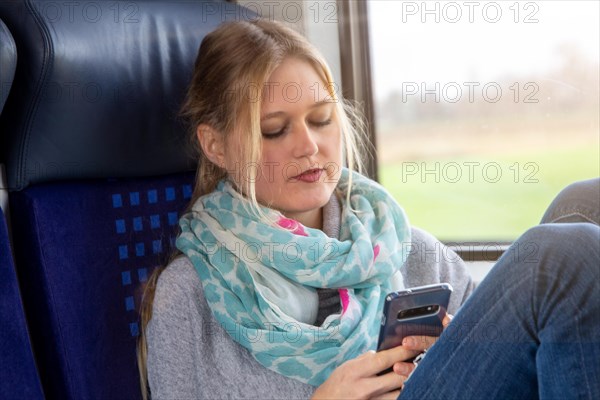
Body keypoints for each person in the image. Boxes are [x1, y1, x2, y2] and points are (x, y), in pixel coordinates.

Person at [137, 19, 600, 400]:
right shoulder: (190, 296)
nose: (310, 145)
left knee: (585, 203)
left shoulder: (400, 245)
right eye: (275, 130)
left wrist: (461, 345)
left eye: (321, 120)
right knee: (561, 257)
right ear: (214, 145)